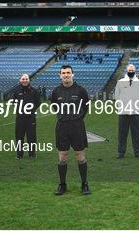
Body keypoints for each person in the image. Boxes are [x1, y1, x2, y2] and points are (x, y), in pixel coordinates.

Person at [50, 65, 91, 196]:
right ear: (60, 75)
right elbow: (54, 107)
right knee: (62, 157)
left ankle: (84, 184)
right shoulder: (56, 91)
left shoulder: (81, 90)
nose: (66, 75)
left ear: (73, 74)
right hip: (62, 127)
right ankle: (62, 185)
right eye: (63, 73)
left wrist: (77, 118)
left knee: (80, 156)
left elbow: (86, 107)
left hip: (77, 126)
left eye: (68, 72)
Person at [114, 64, 139, 159]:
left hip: (136, 113)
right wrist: (121, 106)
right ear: (126, 71)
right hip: (123, 113)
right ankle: (121, 152)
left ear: (135, 71)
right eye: (129, 70)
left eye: (132, 70)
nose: (131, 72)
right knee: (122, 134)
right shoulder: (120, 82)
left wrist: (138, 107)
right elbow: (116, 96)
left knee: (137, 134)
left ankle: (138, 152)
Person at [11, 74, 41, 159]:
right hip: (20, 118)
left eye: (26, 79)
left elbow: (38, 102)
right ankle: (19, 154)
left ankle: (32, 154)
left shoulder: (34, 91)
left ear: (29, 80)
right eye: (23, 79)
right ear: (20, 80)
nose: (25, 80)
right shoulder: (16, 91)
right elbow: (14, 102)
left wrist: (31, 110)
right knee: (19, 137)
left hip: (31, 118)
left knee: (31, 136)